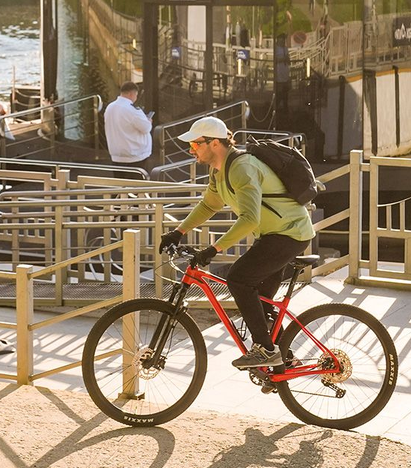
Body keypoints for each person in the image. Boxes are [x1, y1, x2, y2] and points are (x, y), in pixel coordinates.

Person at [158, 117, 316, 369]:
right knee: (261, 303)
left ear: (215, 143)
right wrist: (178, 232)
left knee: (239, 278)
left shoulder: (243, 167)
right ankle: (284, 363)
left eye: (196, 144)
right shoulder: (218, 171)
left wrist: (213, 249)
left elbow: (250, 218)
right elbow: (209, 204)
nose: (191, 150)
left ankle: (266, 350)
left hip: (289, 234)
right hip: (272, 235)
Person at [104, 82, 153, 178]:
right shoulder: (132, 110)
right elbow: (146, 128)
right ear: (132, 94)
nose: (136, 98)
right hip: (135, 157)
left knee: (121, 187)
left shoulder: (110, 107)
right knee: (137, 188)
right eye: (136, 95)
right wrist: (149, 121)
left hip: (117, 156)